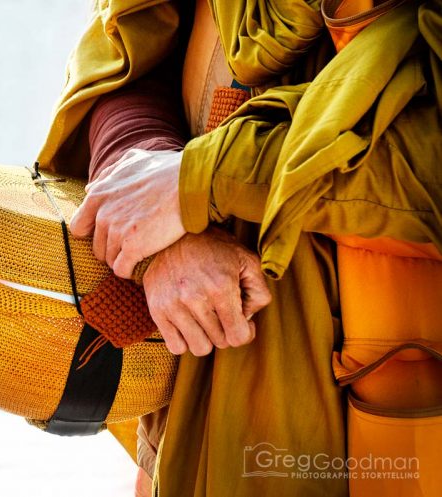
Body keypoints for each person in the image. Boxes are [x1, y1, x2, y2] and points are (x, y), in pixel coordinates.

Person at [36, 0, 442, 495]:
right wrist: (152, 192)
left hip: (381, 372)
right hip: (189, 353)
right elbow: (127, 52)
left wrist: (201, 180)